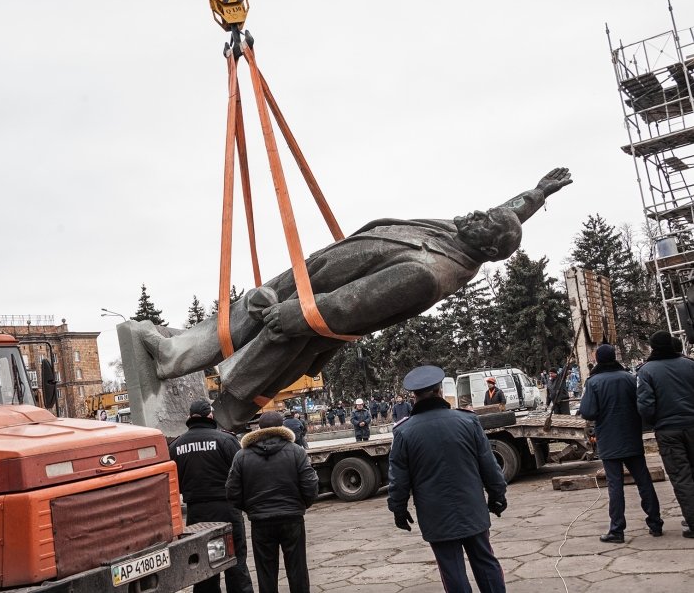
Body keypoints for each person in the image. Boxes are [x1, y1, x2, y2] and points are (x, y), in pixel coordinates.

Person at [129, 169, 573, 430]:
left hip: (311, 310)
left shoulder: (429, 273)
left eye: (482, 220)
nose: (473, 213)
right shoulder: (462, 235)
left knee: (262, 364)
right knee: (248, 307)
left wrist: (295, 315)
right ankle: (175, 354)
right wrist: (536, 194)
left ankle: (219, 410)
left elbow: (353, 305)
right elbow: (505, 213)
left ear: (487, 247)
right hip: (317, 276)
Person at [388, 365, 507, 592]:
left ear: (414, 396)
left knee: (451, 569)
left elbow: (398, 480)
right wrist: (497, 495)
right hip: (471, 505)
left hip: (435, 514)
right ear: (440, 391)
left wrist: (399, 509)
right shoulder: (467, 421)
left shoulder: (404, 432)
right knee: (485, 561)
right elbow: (489, 465)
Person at [225, 411, 319, 593]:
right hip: (292, 518)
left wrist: (251, 508)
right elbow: (310, 485)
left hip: (261, 521)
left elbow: (232, 491)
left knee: (265, 571)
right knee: (298, 568)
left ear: (258, 428)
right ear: (281, 426)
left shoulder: (242, 455)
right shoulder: (296, 451)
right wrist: (301, 506)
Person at [579, 344, 664, 543]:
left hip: (609, 441)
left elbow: (588, 411)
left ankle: (617, 530)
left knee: (615, 486)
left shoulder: (594, 382)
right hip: (631, 437)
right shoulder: (629, 378)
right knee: (644, 482)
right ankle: (655, 523)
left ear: (598, 359)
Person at [168, 400, 254, 593]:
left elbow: (172, 482)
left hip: (197, 513)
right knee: (235, 561)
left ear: (190, 417)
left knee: (204, 564)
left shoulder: (176, 445)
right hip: (227, 508)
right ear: (210, 416)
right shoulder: (226, 440)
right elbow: (243, 473)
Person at [637, 330, 694, 538]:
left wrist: (654, 422)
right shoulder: (689, 364)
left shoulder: (647, 370)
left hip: (668, 430)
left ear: (653, 347)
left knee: (681, 477)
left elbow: (645, 405)